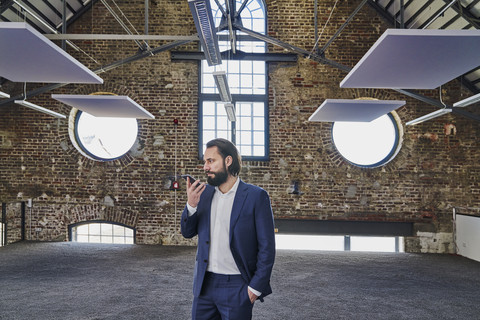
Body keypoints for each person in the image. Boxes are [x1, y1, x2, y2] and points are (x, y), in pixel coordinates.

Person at [181, 138, 276, 320]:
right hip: (204, 286)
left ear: (228, 161)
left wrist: (255, 288)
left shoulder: (256, 197)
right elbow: (187, 232)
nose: (205, 167)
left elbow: (267, 247)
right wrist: (191, 205)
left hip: (237, 286)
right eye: (204, 162)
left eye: (211, 161)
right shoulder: (204, 194)